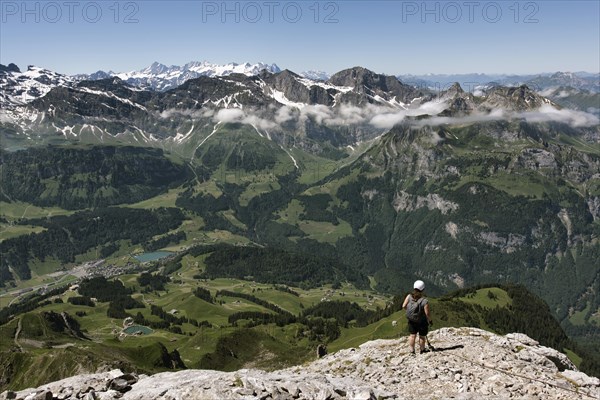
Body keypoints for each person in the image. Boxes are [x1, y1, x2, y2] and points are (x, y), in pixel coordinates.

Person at [402, 280, 432, 355]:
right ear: (423, 289)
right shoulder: (424, 301)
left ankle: (412, 351)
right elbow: (427, 313)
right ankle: (422, 350)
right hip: (421, 321)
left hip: (411, 320)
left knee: (412, 335)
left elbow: (403, 306)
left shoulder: (409, 296)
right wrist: (430, 320)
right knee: (422, 336)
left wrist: (410, 311)